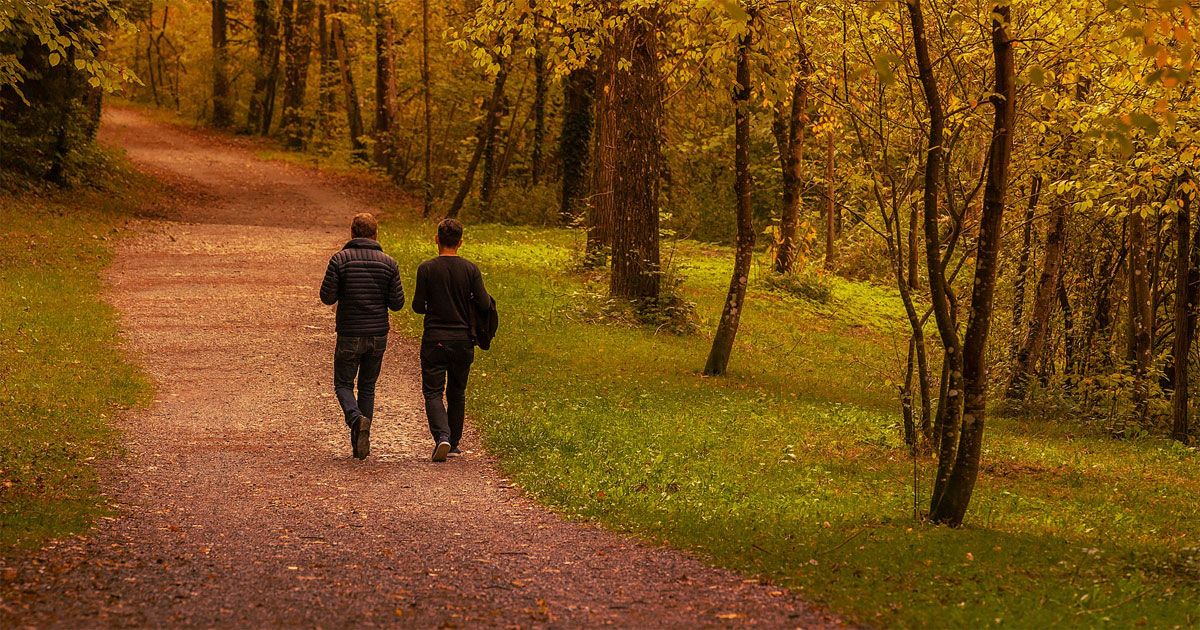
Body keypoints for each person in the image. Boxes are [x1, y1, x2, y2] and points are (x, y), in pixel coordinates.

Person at [320, 213, 404, 460]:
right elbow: (397, 303)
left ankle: (356, 419)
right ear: (376, 234)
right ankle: (360, 442)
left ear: (352, 233)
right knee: (367, 386)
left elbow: (327, 297)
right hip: (378, 334)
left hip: (350, 332)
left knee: (343, 384)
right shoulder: (389, 263)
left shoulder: (340, 260)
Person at [412, 218, 490, 462]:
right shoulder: (470, 269)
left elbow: (417, 306)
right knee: (457, 391)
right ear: (460, 242)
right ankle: (454, 443)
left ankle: (441, 437)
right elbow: (485, 303)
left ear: (437, 239)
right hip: (462, 339)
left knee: (433, 391)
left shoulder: (426, 268)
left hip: (435, 338)